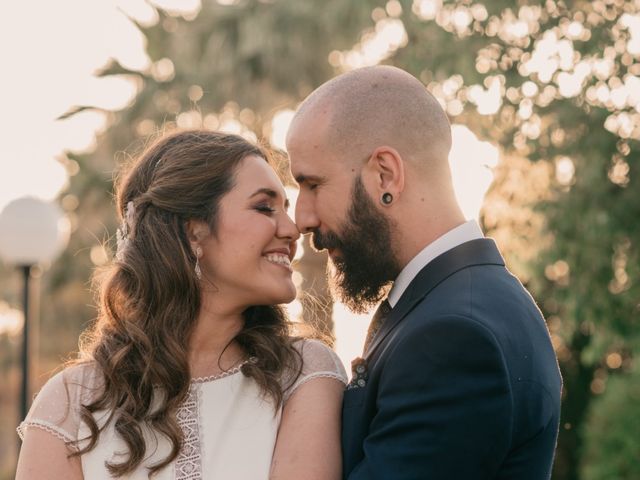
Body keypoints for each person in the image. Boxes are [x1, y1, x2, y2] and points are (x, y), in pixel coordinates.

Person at [16, 130, 347, 480]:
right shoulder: (71, 403)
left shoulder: (303, 373)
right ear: (193, 232)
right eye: (264, 207)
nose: (293, 229)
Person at [286, 66, 562, 479]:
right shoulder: (461, 303)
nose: (302, 218)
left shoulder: (456, 337)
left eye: (312, 185)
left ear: (386, 174)